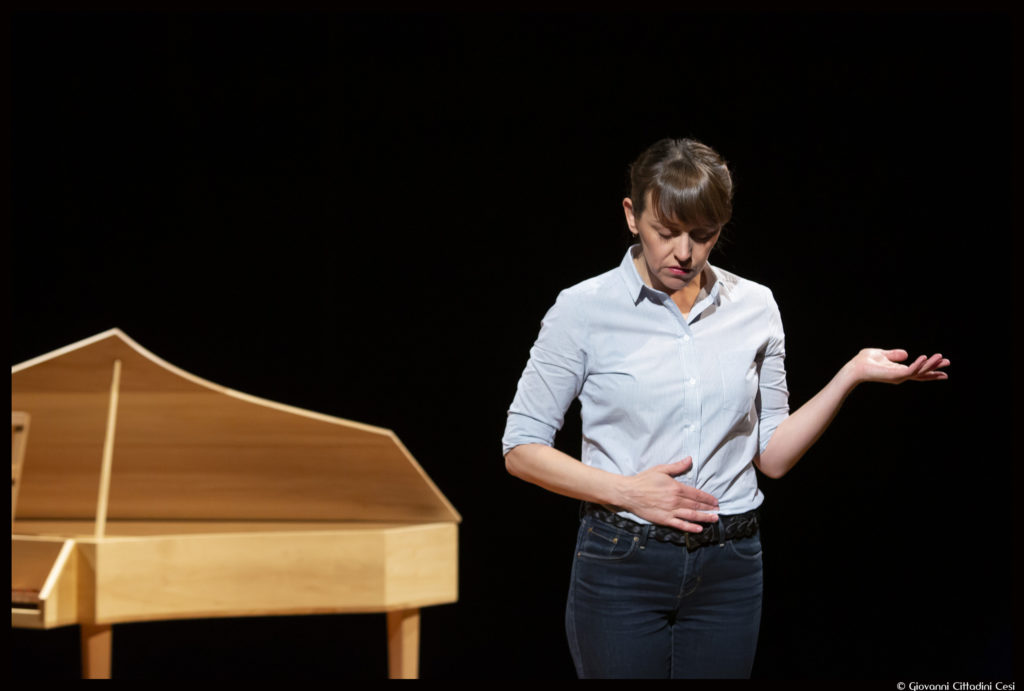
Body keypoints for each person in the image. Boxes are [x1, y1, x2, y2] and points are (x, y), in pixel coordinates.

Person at [500, 137, 949, 679]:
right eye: (666, 232)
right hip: (623, 557)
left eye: (703, 235)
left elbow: (774, 457)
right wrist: (626, 490)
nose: (683, 253)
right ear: (631, 216)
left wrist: (851, 373)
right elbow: (521, 449)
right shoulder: (582, 310)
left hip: (731, 564)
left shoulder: (755, 306)